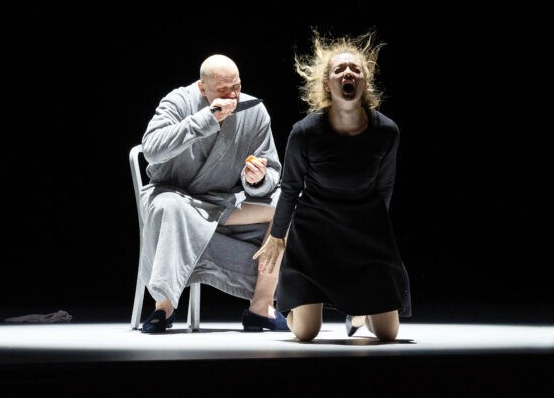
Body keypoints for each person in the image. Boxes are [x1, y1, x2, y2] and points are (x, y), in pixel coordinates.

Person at [253, 30, 411, 341]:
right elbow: (290, 188)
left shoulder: (386, 131)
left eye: (355, 69)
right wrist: (278, 236)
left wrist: (377, 236)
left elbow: (385, 189)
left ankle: (360, 311)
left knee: (388, 334)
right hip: (315, 236)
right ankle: (299, 304)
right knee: (306, 332)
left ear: (364, 82)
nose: (348, 73)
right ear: (328, 84)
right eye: (340, 69)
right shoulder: (305, 132)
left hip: (364, 235)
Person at [138, 54, 289, 333]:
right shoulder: (178, 102)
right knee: (167, 207)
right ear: (202, 88)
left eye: (236, 87)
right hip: (177, 197)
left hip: (223, 202)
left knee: (286, 205)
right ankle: (164, 307)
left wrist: (256, 179)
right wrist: (205, 119)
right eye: (223, 89)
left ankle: (262, 305)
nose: (232, 96)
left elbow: (272, 172)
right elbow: (152, 150)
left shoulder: (254, 111)